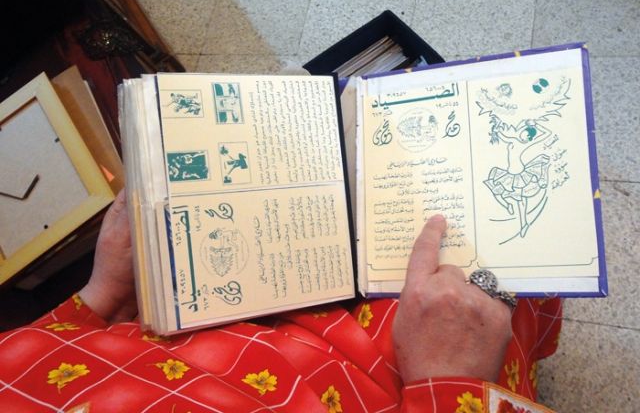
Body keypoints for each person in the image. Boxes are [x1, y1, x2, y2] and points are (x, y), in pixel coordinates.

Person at [0, 191, 561, 412]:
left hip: (185, 315)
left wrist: (100, 297)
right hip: (392, 383)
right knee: (493, 251)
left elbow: (30, 363)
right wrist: (451, 384)